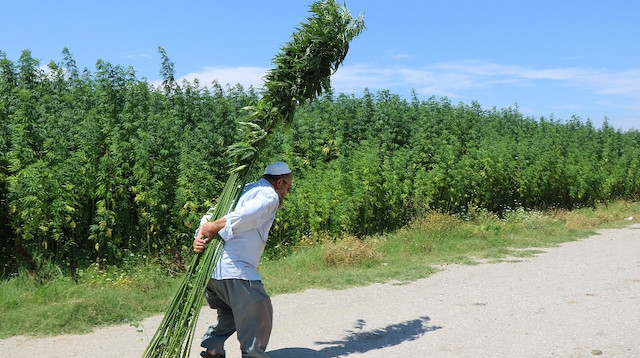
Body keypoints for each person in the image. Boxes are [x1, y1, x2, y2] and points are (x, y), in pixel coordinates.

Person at [193, 161, 293, 358]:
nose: (287, 193)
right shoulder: (268, 195)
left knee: (230, 312)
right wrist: (213, 228)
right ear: (280, 182)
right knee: (260, 313)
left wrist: (200, 234)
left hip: (212, 271)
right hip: (235, 270)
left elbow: (209, 216)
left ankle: (214, 347)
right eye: (288, 187)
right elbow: (248, 215)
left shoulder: (242, 189)